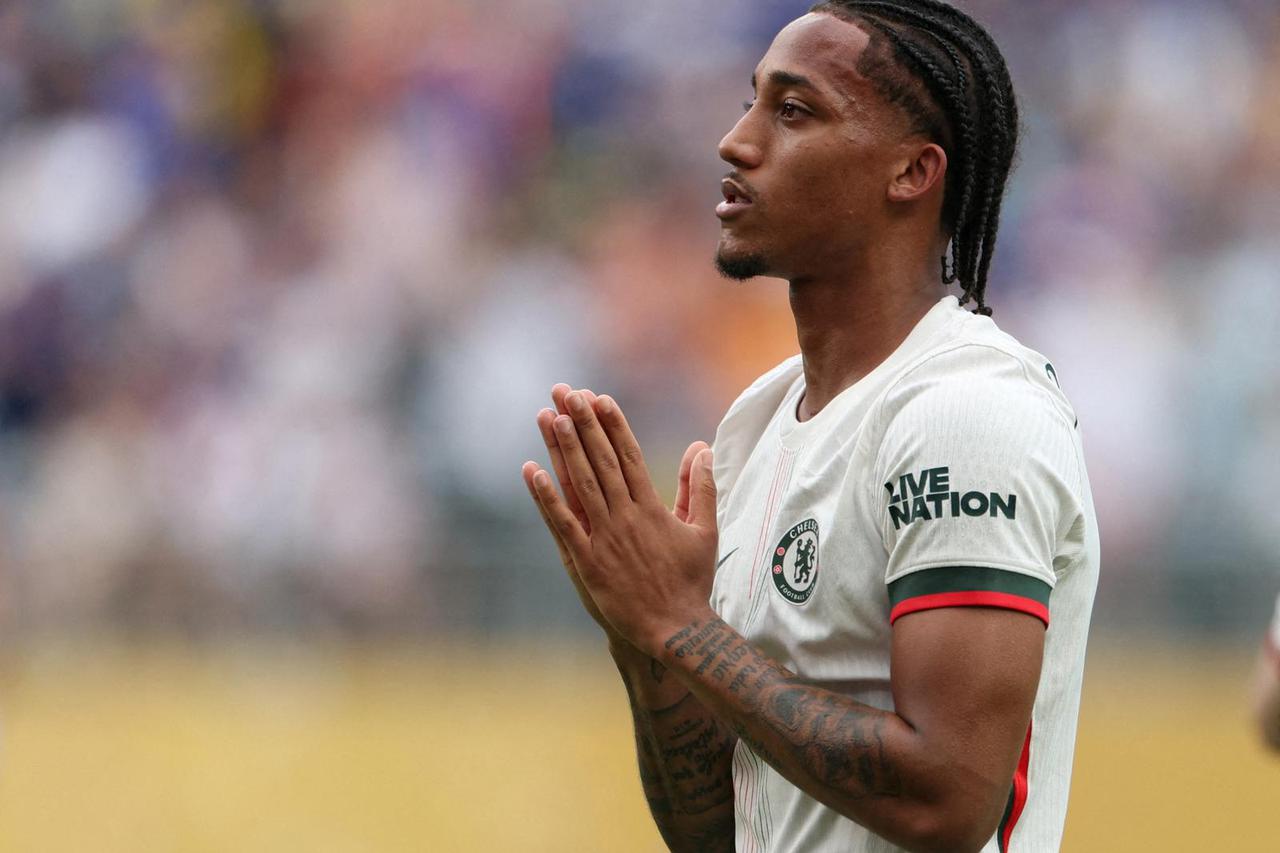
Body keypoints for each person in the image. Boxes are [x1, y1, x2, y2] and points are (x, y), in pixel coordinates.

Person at [521, 1, 1099, 850]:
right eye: (751, 102)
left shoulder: (968, 410)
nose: (736, 141)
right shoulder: (759, 420)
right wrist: (647, 642)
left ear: (912, 172)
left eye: (793, 111)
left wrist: (685, 626)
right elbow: (716, 832)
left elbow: (948, 801)